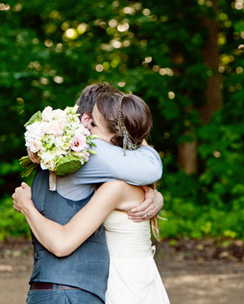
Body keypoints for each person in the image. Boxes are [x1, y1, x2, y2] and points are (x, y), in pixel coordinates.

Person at [13, 83, 164, 304]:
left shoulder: (108, 177)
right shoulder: (87, 157)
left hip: (109, 284)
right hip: (88, 288)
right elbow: (148, 167)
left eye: (94, 122)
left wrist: (153, 193)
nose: (86, 127)